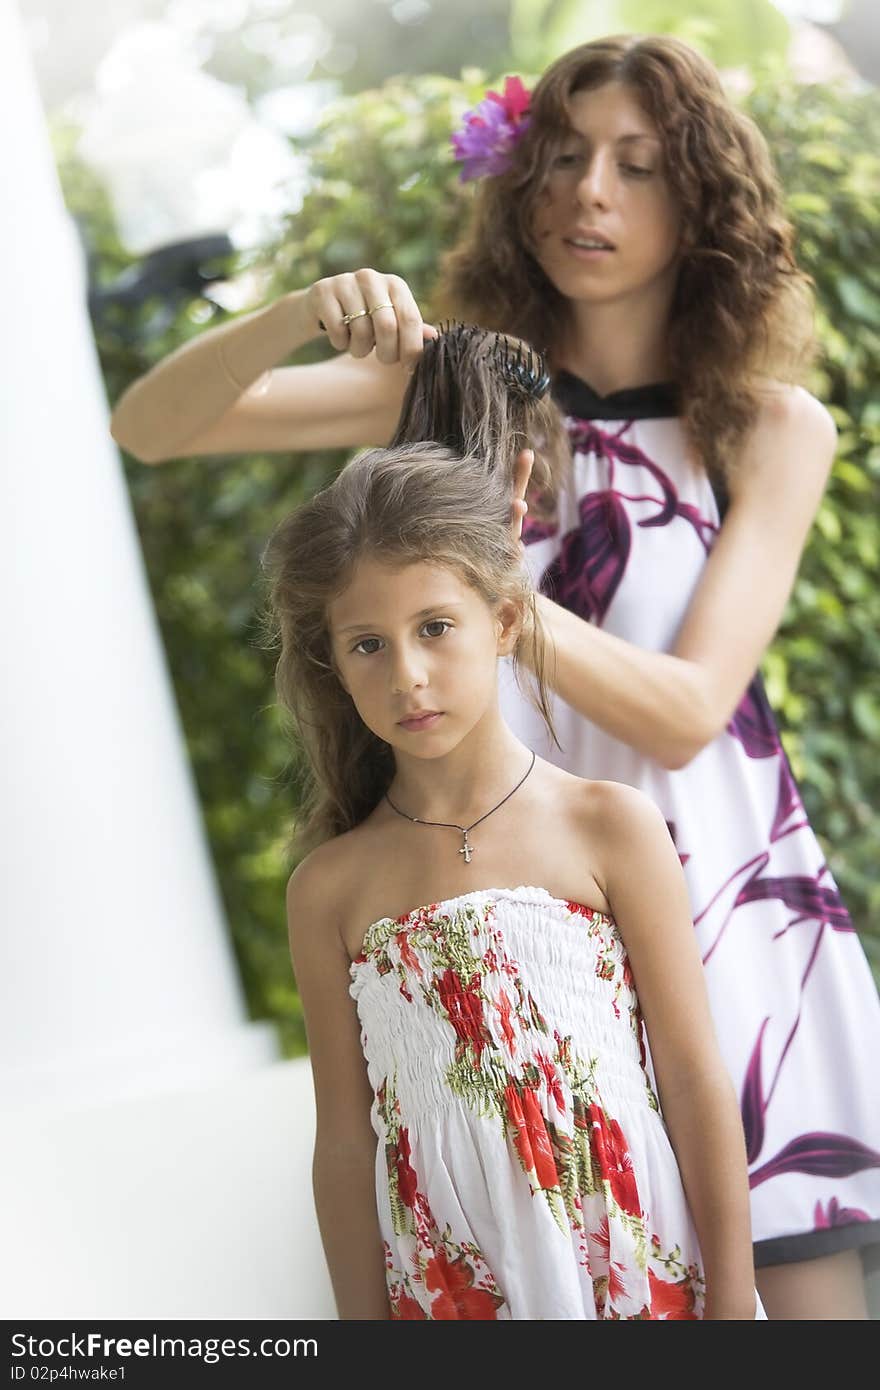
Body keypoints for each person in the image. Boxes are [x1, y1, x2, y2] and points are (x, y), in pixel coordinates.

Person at [109, 34, 880, 1319]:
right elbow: (148, 426)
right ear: (520, 183)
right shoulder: (447, 393)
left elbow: (690, 712)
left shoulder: (764, 424)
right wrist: (303, 312)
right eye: (564, 156)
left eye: (637, 167)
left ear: (702, 202)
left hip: (723, 928)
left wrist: (488, 596)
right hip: (514, 943)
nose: (590, 192)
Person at [262, 323, 762, 1319]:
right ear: (331, 661)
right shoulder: (331, 888)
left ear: (501, 620)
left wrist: (734, 1297)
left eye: (434, 629)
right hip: (456, 1292)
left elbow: (697, 1078)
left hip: (639, 1267)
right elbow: (343, 1142)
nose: (405, 673)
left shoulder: (608, 826)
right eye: (366, 644)